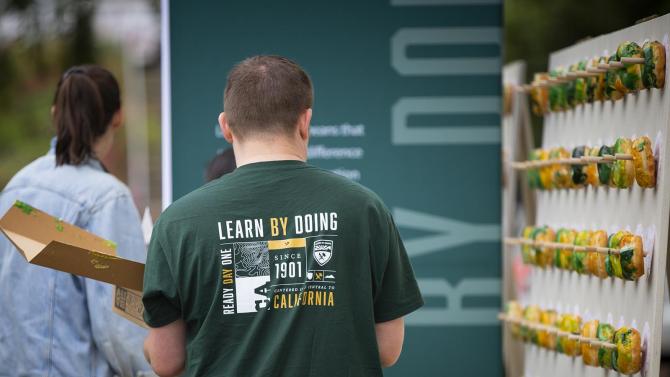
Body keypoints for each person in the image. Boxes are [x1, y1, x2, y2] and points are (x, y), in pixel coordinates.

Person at [142, 55, 423, 377]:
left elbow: (167, 362)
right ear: (305, 121)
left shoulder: (178, 223)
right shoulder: (365, 209)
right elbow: (388, 349)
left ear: (226, 127)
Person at [0, 65, 152, 376]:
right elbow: (123, 326)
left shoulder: (17, 188)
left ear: (55, 112)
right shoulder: (106, 200)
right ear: (118, 117)